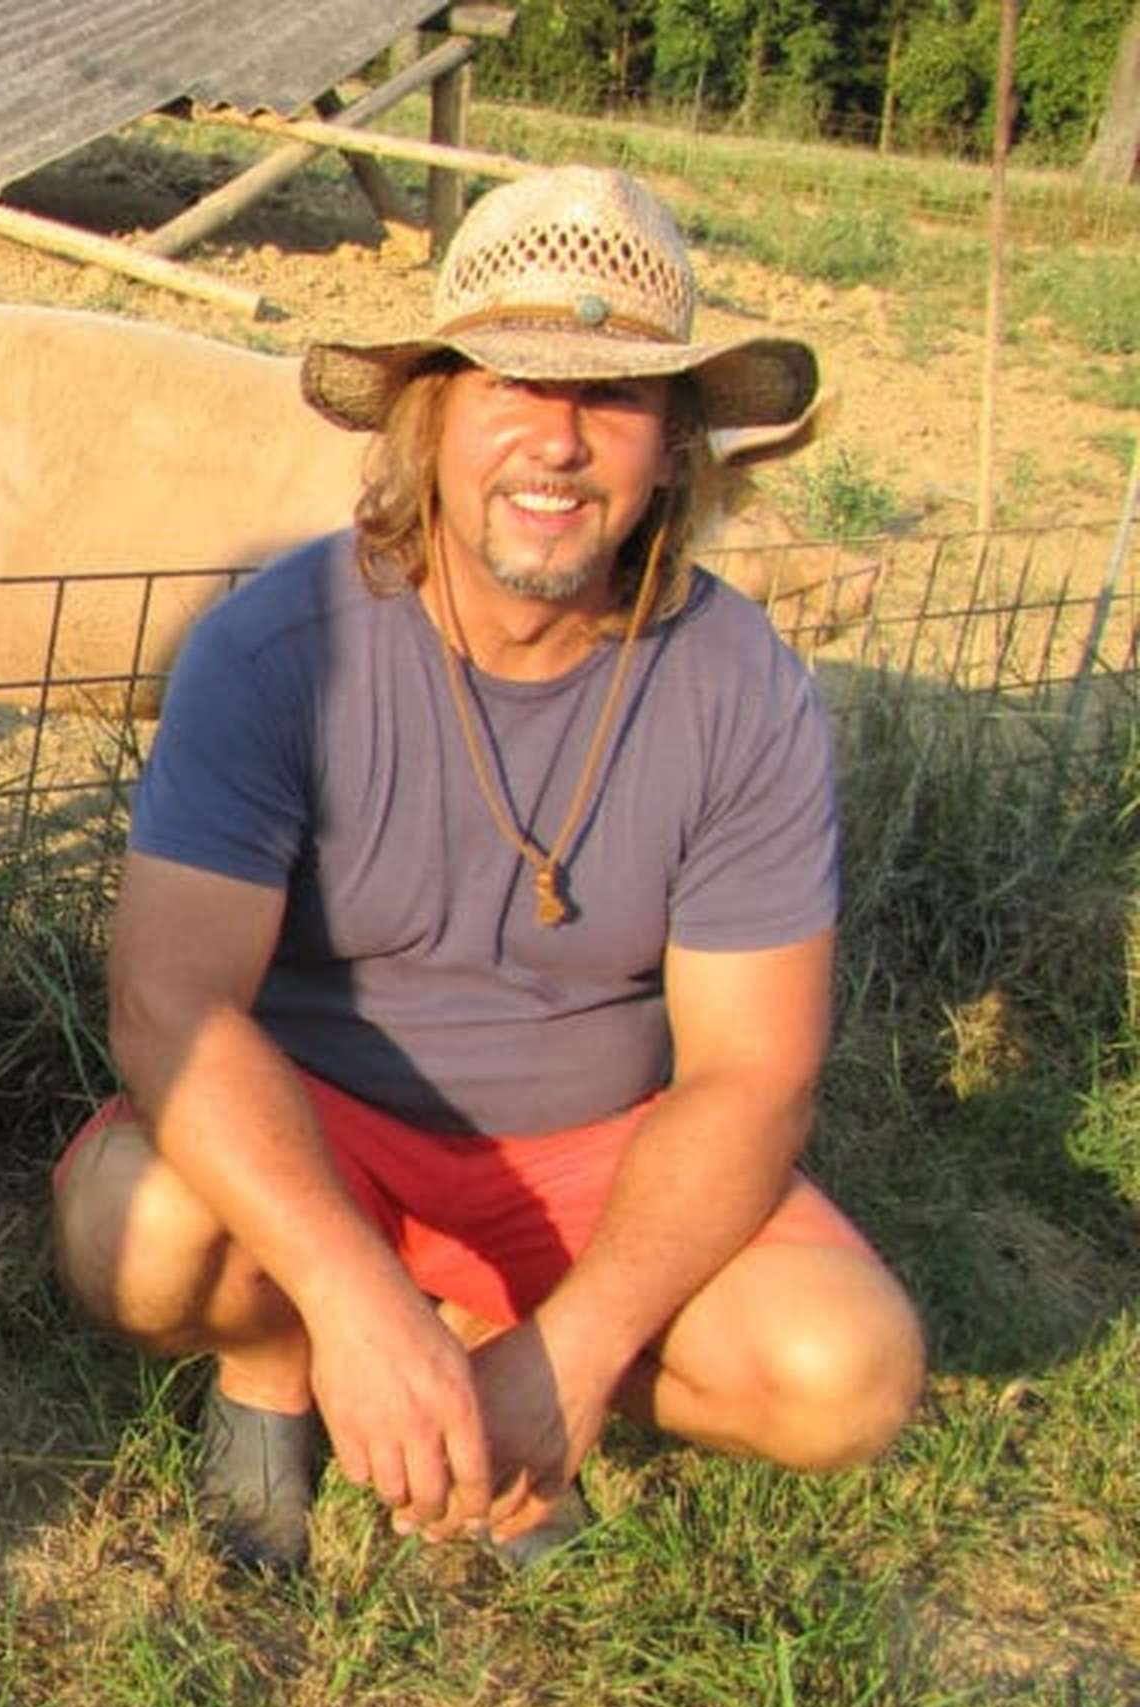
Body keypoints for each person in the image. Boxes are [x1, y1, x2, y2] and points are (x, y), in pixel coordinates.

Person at [51, 166, 926, 1576]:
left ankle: (498, 1356)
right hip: (325, 1120)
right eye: (510, 379)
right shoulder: (276, 651)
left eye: (616, 397)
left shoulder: (743, 690)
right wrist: (343, 1293)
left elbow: (751, 1073)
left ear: (674, 449)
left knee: (845, 1373)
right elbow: (171, 1006)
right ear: (431, 413)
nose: (559, 441)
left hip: (601, 1148)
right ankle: (276, 1368)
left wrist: (572, 1357)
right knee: (132, 1233)